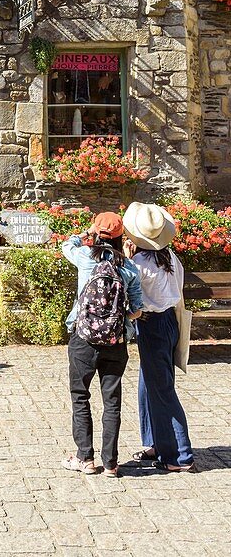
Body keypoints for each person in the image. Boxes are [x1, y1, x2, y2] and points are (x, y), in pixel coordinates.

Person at [61, 212, 144, 477]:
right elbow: (137, 310)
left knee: (80, 397)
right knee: (112, 402)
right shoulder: (129, 268)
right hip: (115, 342)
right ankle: (111, 463)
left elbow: (66, 245)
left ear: (96, 233)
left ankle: (85, 458)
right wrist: (120, 317)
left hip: (83, 340)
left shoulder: (85, 258)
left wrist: (85, 232)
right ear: (122, 237)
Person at [122, 202, 196, 473]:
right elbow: (176, 291)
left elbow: (131, 295)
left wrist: (127, 261)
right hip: (169, 322)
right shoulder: (171, 259)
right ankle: (155, 441)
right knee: (149, 382)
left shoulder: (139, 264)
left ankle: (179, 455)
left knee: (162, 388)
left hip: (151, 324)